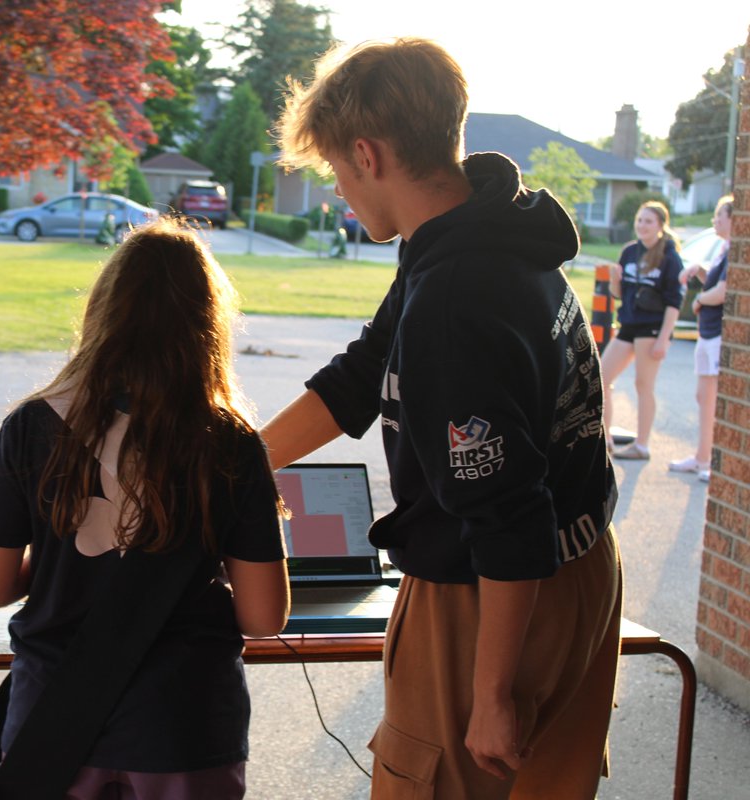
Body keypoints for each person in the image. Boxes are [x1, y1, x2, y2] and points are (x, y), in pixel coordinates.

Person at [265, 38, 622, 799]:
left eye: (334, 169)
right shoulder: (488, 227)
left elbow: (507, 517)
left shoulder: (456, 300)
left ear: (367, 153)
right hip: (583, 560)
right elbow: (366, 371)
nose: (338, 189)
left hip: (493, 596)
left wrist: (490, 695)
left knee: (434, 776)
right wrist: (239, 458)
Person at [0, 217, 289, 799]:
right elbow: (264, 619)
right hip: (184, 726)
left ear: (102, 313)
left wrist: (65, 562)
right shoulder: (231, 442)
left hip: (55, 722)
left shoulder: (32, 426)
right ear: (206, 326)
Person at [601, 201, 685, 459]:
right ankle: (605, 440)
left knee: (643, 385)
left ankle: (642, 445)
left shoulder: (669, 257)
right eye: (639, 220)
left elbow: (674, 302)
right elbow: (618, 294)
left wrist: (663, 339)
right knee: (601, 378)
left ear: (660, 225)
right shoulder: (629, 252)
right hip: (628, 324)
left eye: (648, 221)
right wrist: (615, 280)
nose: (642, 225)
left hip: (652, 328)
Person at [669, 195, 733, 482]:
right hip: (707, 332)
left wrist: (698, 302)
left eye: (720, 215)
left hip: (718, 333)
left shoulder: (738, 252)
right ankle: (701, 457)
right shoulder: (724, 249)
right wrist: (702, 271)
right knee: (703, 396)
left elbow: (722, 293)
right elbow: (717, 284)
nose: (714, 220)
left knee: (713, 398)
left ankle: (713, 461)